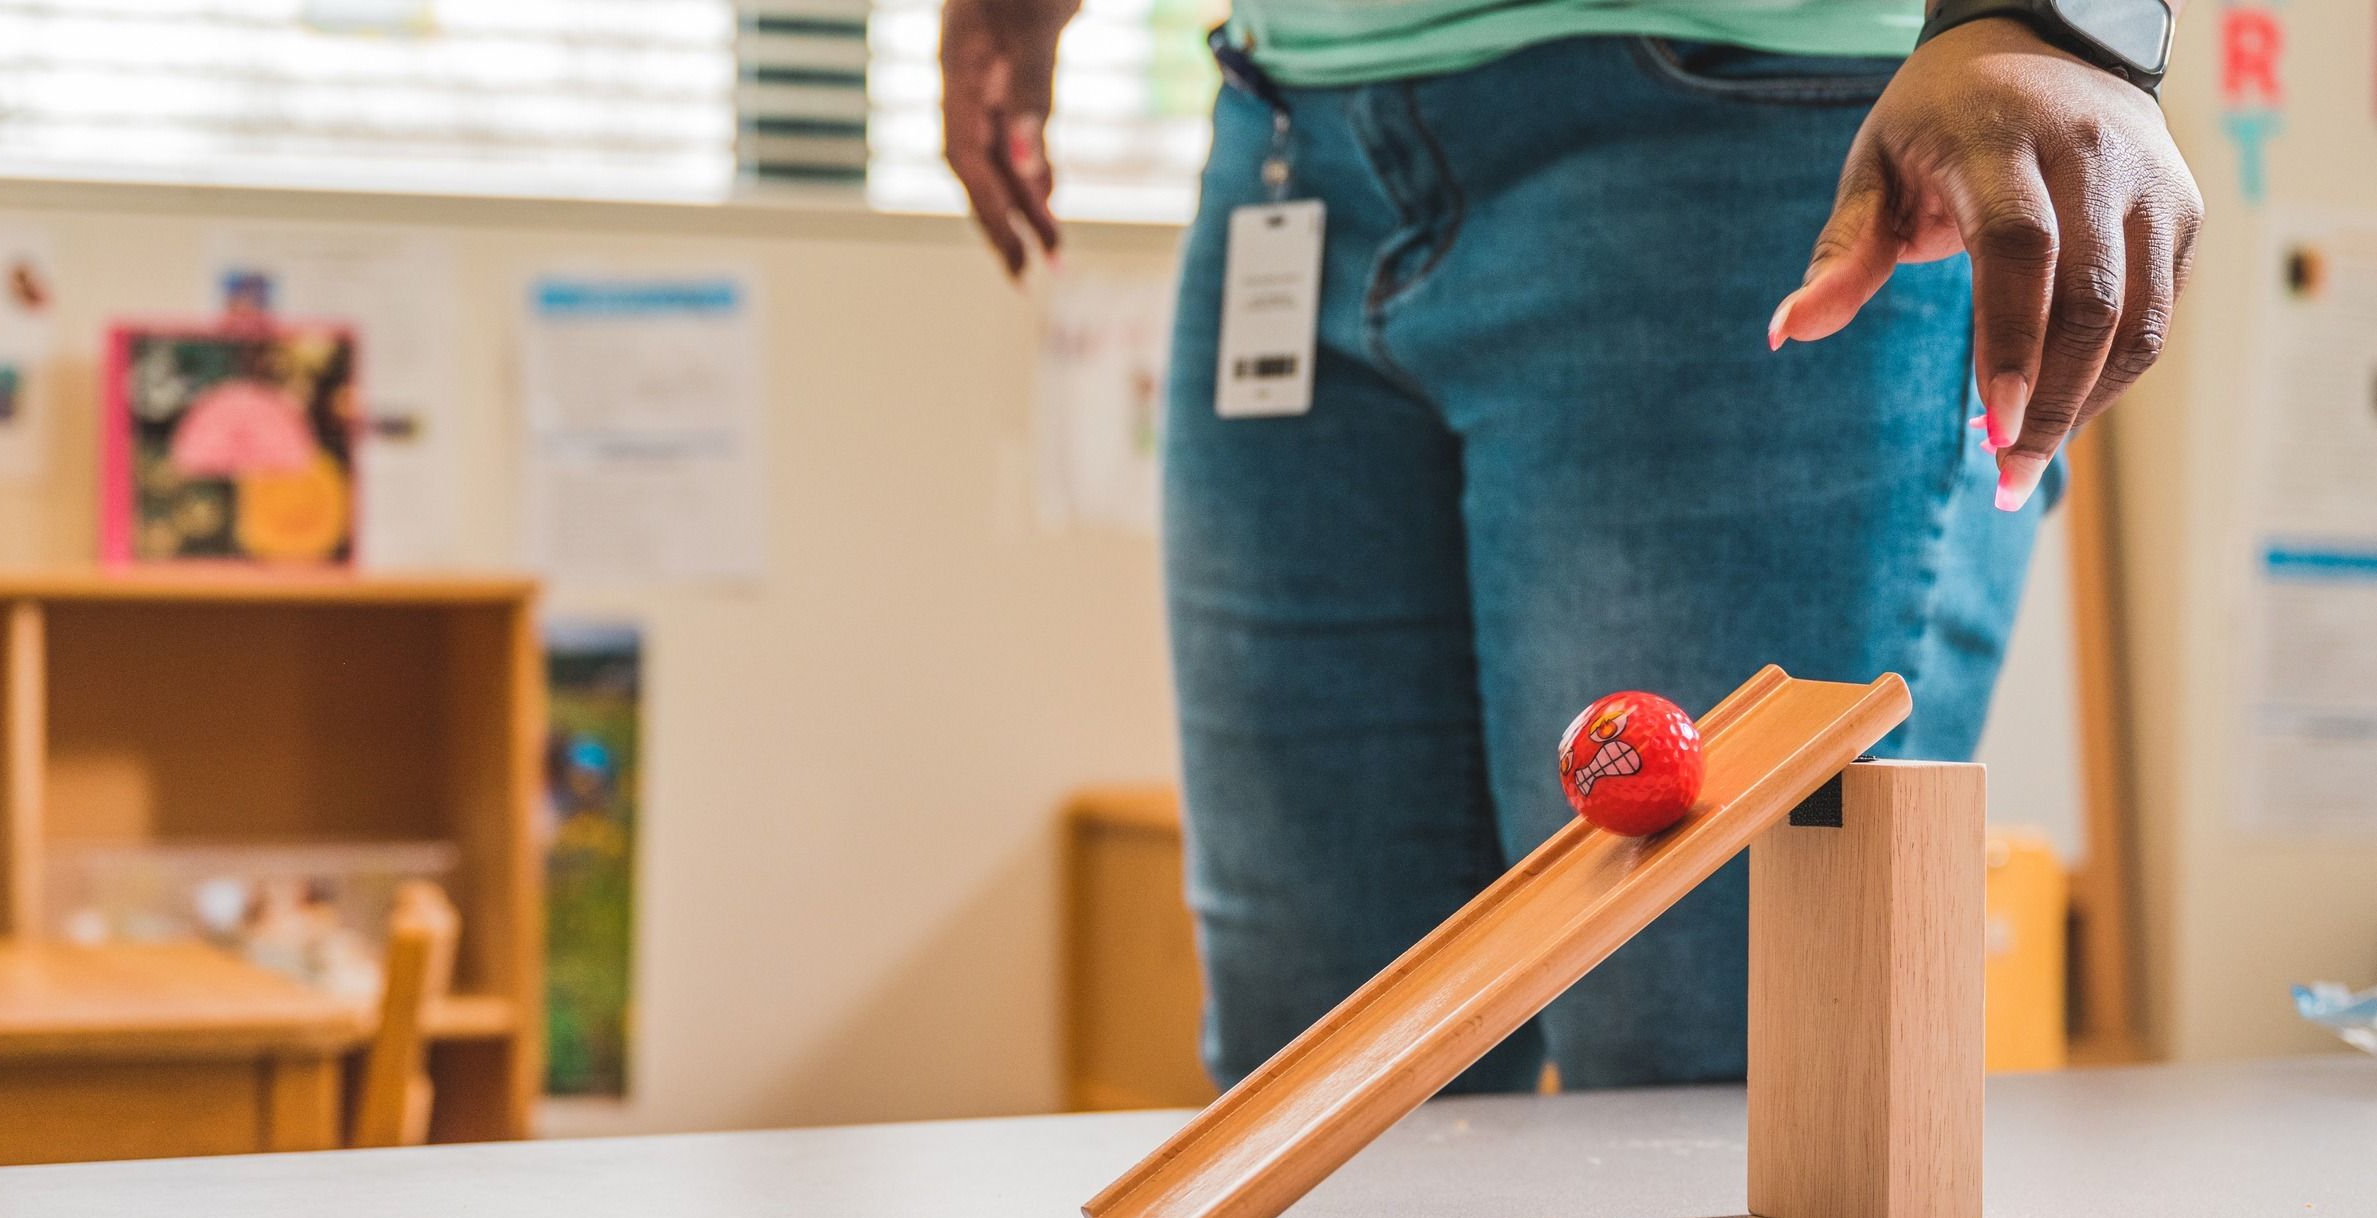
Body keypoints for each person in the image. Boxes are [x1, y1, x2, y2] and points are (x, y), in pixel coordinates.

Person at [942, 0, 2200, 1090]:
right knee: (1314, 1083)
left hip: (1751, 127)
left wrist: (2065, 23)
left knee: (1720, 1105)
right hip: (1292, 133)